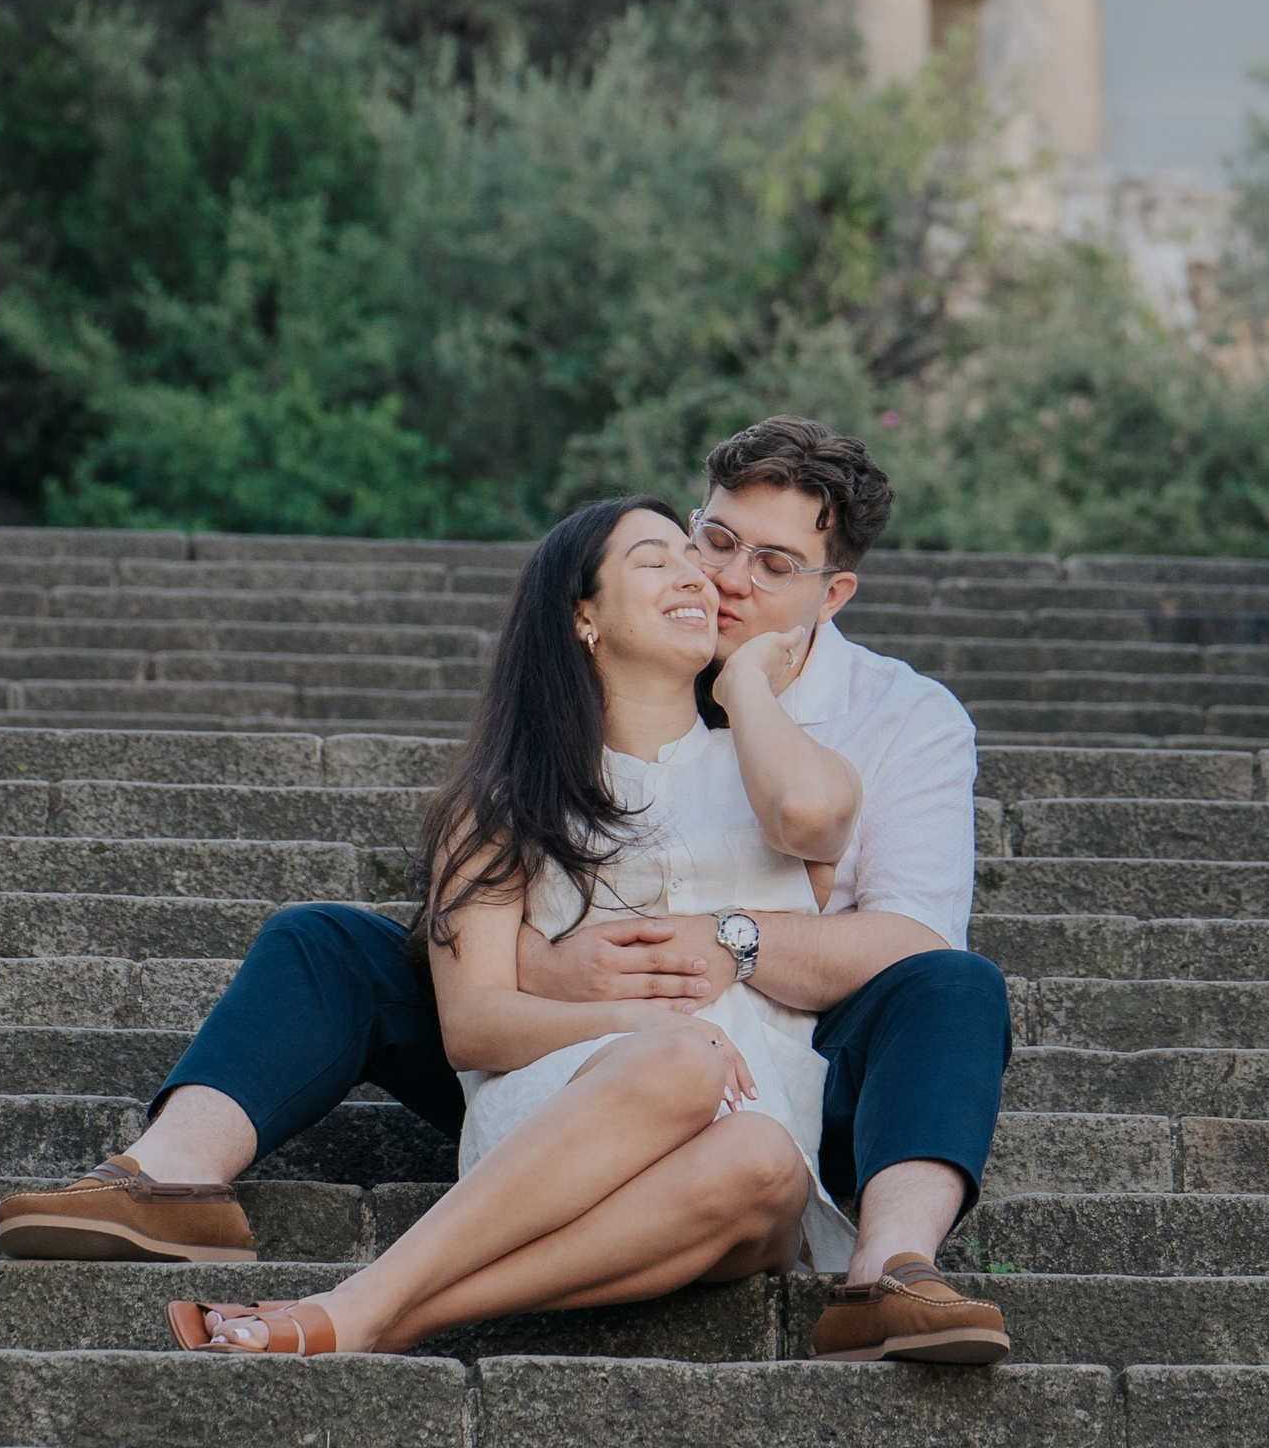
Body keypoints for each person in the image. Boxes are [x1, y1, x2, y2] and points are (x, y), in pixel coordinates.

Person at [0, 417, 1012, 1362]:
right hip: (582, 1056)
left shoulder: (888, 720)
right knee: (331, 943)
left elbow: (905, 928)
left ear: (832, 595)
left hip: (793, 1063)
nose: (723, 580)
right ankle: (169, 1172)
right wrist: (554, 970)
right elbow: (479, 986)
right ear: (591, 611)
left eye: (774, 564)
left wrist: (730, 934)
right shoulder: (581, 710)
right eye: (709, 540)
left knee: (943, 995)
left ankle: (887, 1271)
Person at [166, 496, 852, 1354]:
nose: (696, 574)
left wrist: (744, 679)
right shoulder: (502, 806)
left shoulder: (782, 776)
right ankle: (369, 1309)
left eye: (692, 555)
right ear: (583, 615)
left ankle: (379, 1306)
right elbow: (474, 1023)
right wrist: (643, 1023)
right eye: (653, 560)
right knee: (685, 1056)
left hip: (751, 1159)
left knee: (762, 1159)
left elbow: (814, 818)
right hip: (564, 1124)